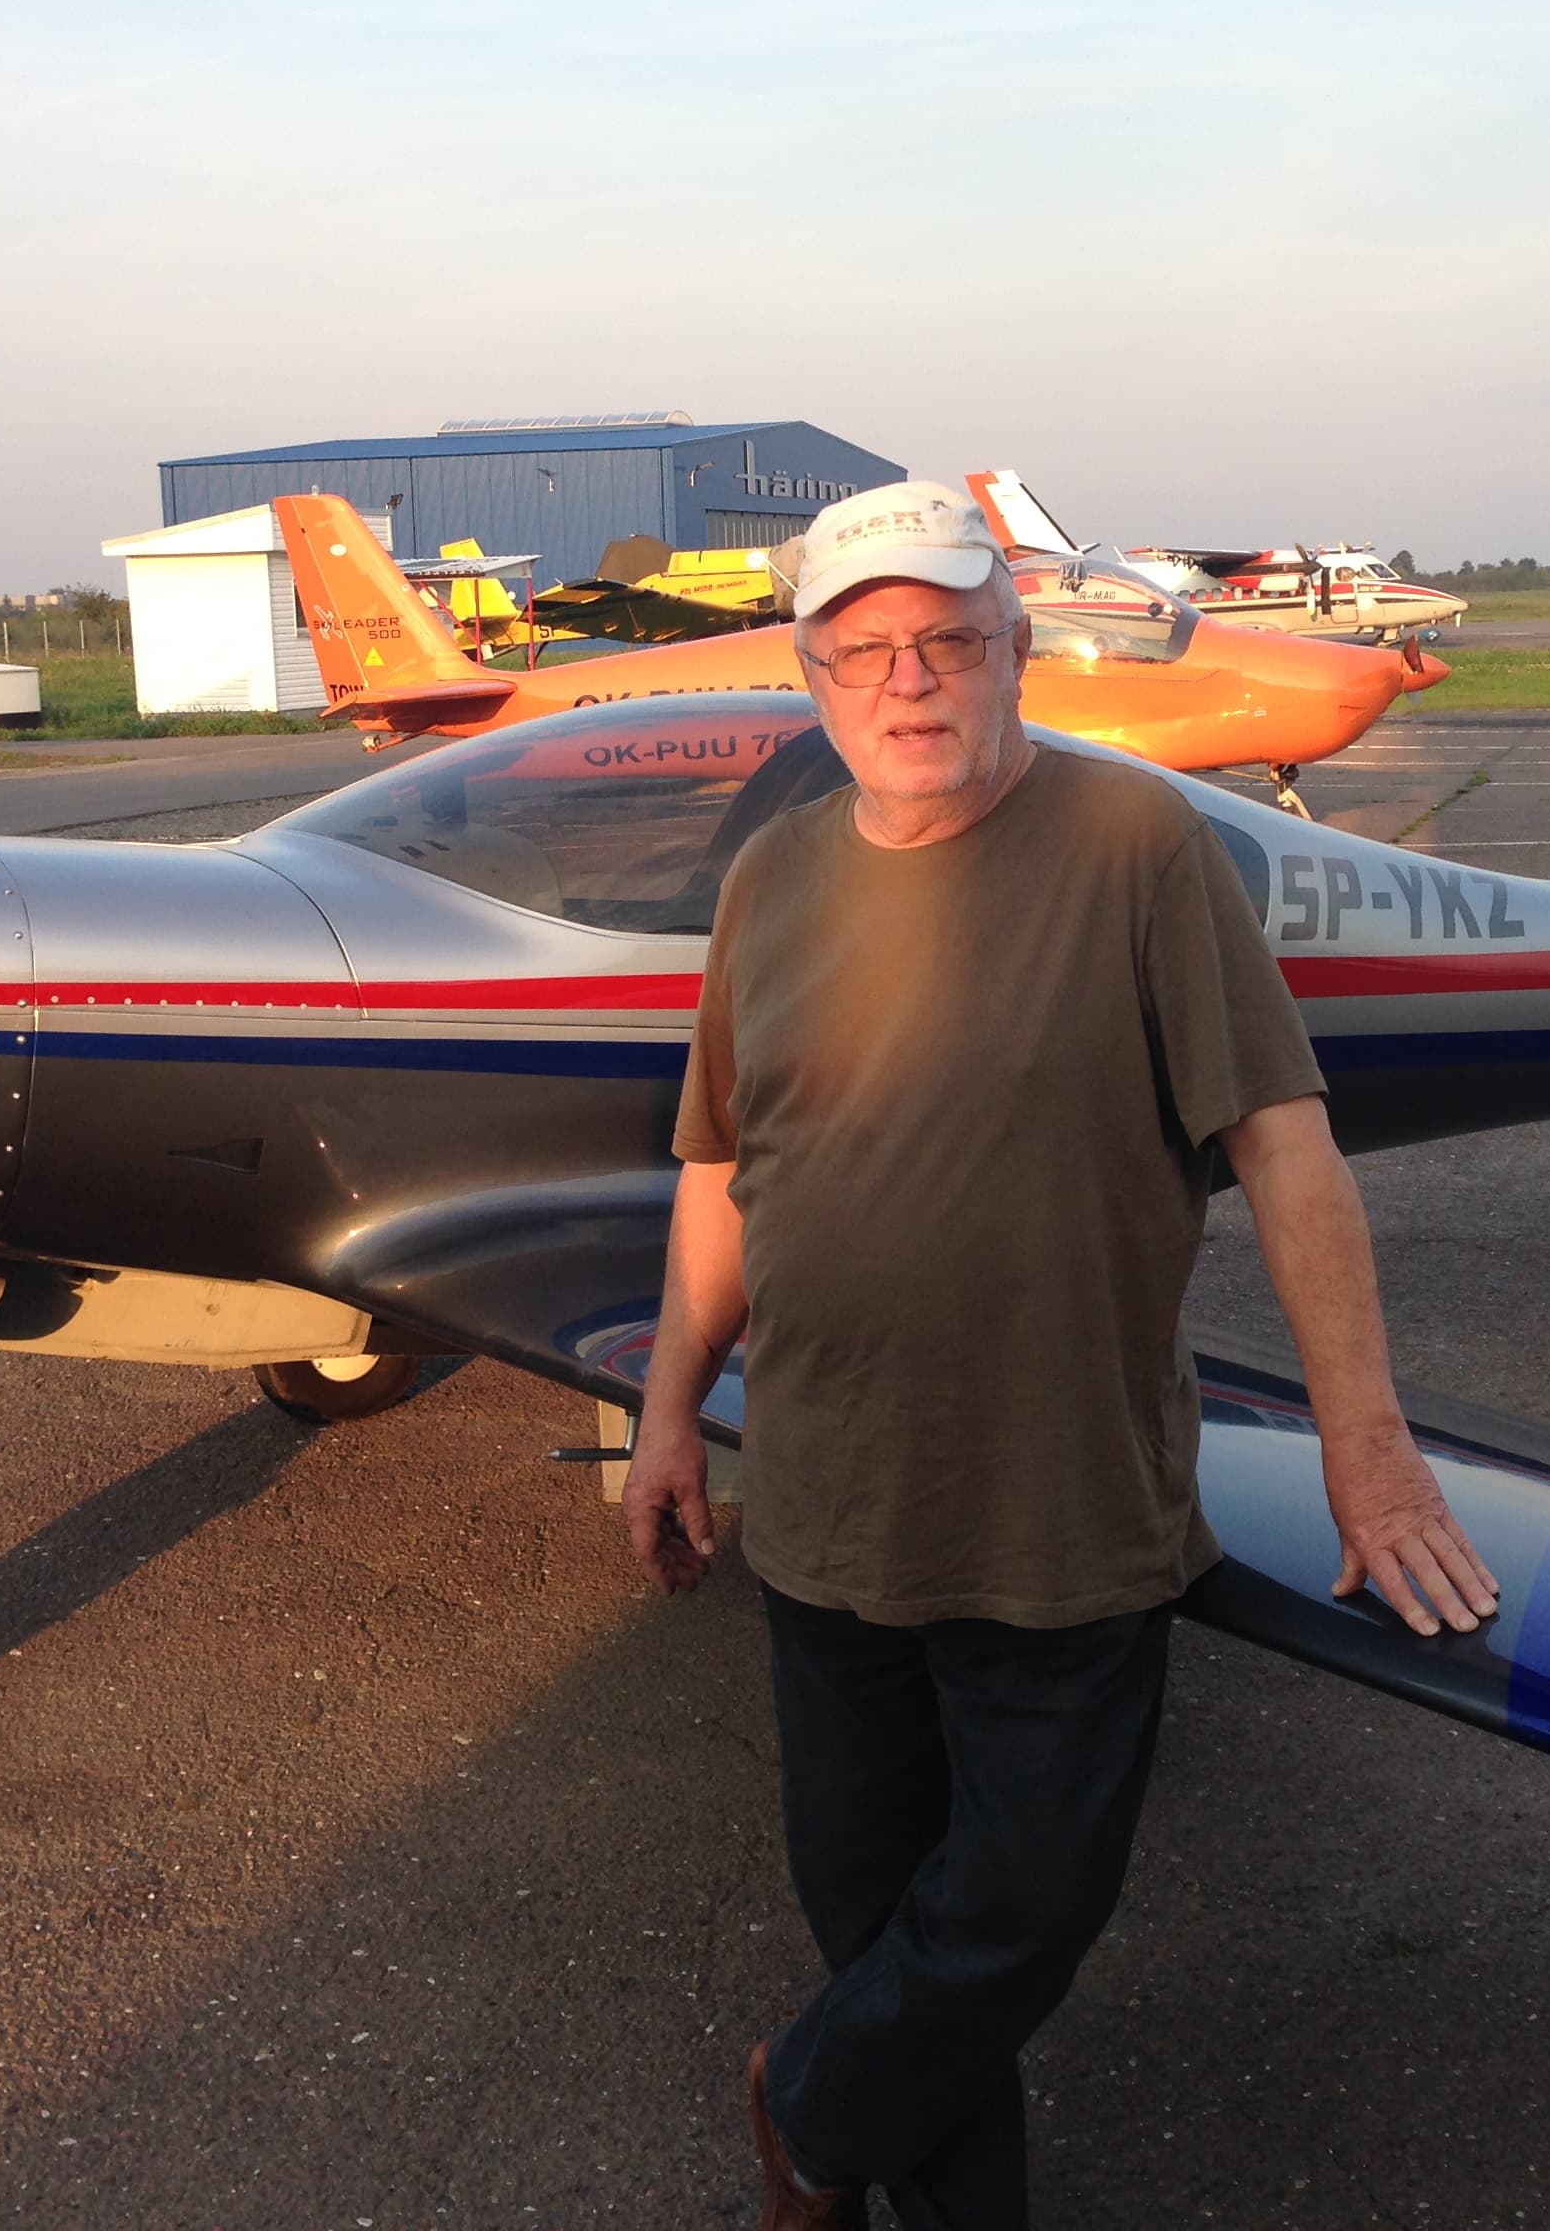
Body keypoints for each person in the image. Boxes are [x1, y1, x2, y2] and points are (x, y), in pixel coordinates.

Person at [623, 480, 1498, 2231]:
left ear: (1020, 651)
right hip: (821, 1512)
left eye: (951, 639)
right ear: (812, 675)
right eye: (864, 649)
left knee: (1020, 1914)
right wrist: (665, 1411)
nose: (910, 681)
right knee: (882, 1934)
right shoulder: (776, 879)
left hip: (1061, 1517)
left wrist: (1368, 1446)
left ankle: (800, 2108)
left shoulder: (1139, 849)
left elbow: (1287, 1149)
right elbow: (723, 1163)